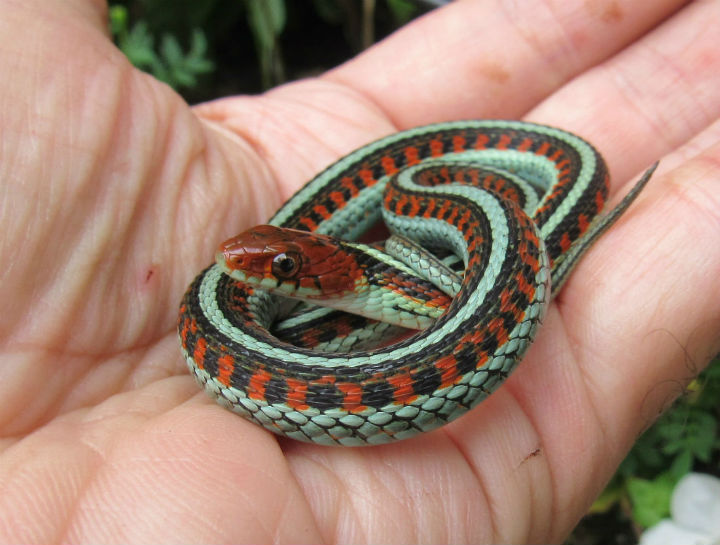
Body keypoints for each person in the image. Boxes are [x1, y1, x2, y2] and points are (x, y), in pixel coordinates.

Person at [1, 1, 718, 542]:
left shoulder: (429, 223)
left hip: (479, 236)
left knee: (503, 258)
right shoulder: (253, 300)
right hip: (385, 300)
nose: (252, 272)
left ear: (325, 273)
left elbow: (464, 309)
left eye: (281, 267)